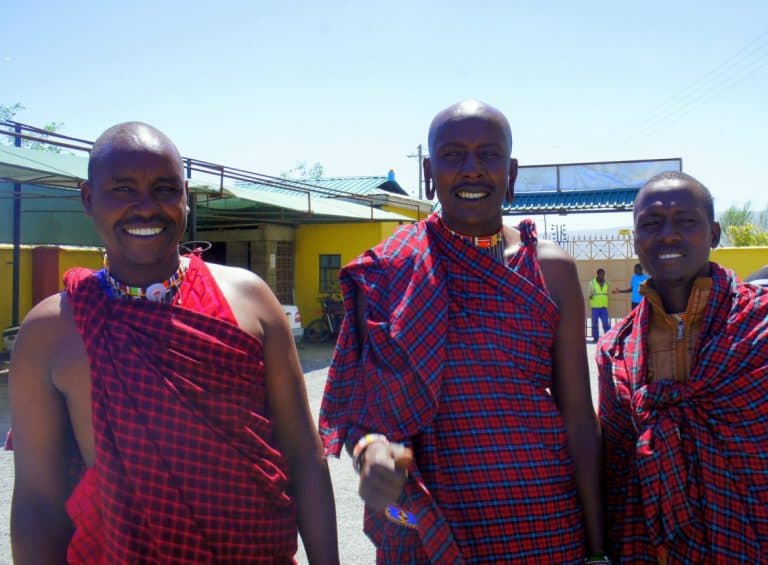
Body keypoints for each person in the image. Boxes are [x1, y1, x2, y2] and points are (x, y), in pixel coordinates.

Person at [8, 122, 339, 564]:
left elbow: (303, 454)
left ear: (186, 197)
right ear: (88, 198)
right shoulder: (50, 331)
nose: (146, 208)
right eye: (123, 189)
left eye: (165, 189)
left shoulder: (250, 300)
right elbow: (37, 501)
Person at [320, 100, 606, 563]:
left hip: (546, 524)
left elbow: (578, 416)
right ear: (430, 172)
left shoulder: (550, 269)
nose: (472, 170)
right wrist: (370, 450)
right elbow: (358, 409)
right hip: (431, 523)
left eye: (488, 154)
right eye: (453, 155)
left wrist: (597, 550)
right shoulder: (391, 270)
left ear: (511, 172)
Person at [598, 171, 768, 563]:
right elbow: (617, 466)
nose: (668, 235)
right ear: (637, 239)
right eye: (651, 223)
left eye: (685, 221)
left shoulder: (759, 323)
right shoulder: (615, 349)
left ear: (713, 233)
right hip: (652, 544)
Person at [589, 268, 611, 341]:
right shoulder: (592, 283)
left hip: (603, 306)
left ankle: (607, 337)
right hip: (595, 306)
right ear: (597, 274)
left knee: (605, 323)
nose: (602, 276)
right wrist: (591, 296)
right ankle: (595, 338)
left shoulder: (606, 283)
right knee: (594, 323)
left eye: (603, 274)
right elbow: (590, 293)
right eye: (601, 274)